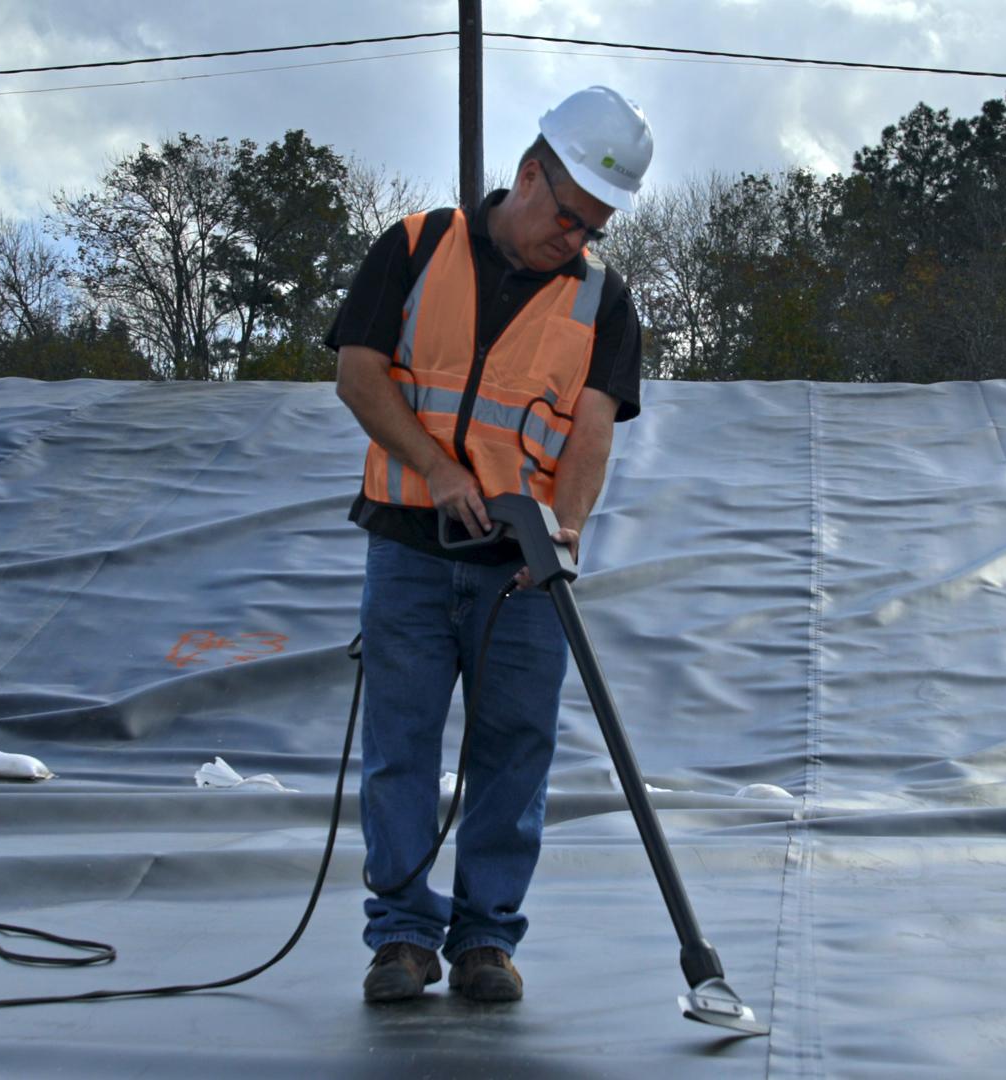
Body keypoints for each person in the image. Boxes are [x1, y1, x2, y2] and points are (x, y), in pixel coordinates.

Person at [328, 86, 654, 1005]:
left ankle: (484, 940)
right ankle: (399, 935)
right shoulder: (416, 246)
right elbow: (359, 375)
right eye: (567, 215)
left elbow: (592, 432)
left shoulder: (602, 301)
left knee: (516, 751)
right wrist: (436, 469)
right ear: (528, 174)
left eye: (595, 225)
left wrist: (567, 531)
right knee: (400, 745)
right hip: (408, 550)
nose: (575, 238)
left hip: (520, 572)